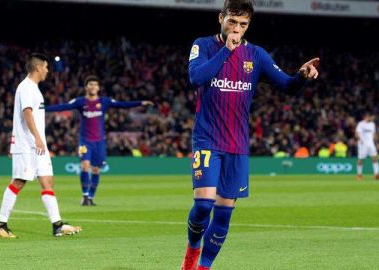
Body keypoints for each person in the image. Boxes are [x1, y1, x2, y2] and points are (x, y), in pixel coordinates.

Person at [180, 1, 320, 269]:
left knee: (223, 215)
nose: (236, 29)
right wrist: (226, 52)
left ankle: (202, 268)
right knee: (203, 205)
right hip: (208, 139)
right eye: (232, 21)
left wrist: (301, 76)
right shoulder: (203, 45)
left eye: (243, 24)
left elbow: (288, 87)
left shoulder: (257, 55)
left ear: (248, 26)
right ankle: (190, 254)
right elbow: (196, 77)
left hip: (237, 145)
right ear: (221, 18)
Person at [0, 53, 82, 238]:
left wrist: (40, 140)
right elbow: (27, 113)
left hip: (38, 145)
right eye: (46, 67)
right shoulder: (25, 87)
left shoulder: (34, 89)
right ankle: (1, 225)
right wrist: (38, 138)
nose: (48, 71)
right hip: (27, 143)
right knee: (18, 181)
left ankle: (57, 225)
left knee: (48, 181)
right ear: (37, 68)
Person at [46, 75, 153, 206]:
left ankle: (91, 197)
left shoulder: (105, 101)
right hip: (85, 140)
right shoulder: (80, 102)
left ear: (98, 88)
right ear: (86, 87)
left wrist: (141, 103)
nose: (93, 87)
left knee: (96, 169)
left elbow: (122, 105)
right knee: (85, 165)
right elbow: (62, 107)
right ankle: (85, 196)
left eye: (95, 85)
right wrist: (43, 108)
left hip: (99, 141)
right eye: (90, 84)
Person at [356, 113, 379, 180]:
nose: (370, 118)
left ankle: (376, 174)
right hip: (363, 144)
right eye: (368, 117)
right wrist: (360, 139)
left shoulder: (372, 124)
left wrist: (376, 143)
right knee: (361, 159)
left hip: (371, 144)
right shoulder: (360, 124)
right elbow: (357, 133)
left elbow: (374, 134)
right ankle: (359, 175)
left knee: (375, 158)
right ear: (365, 117)